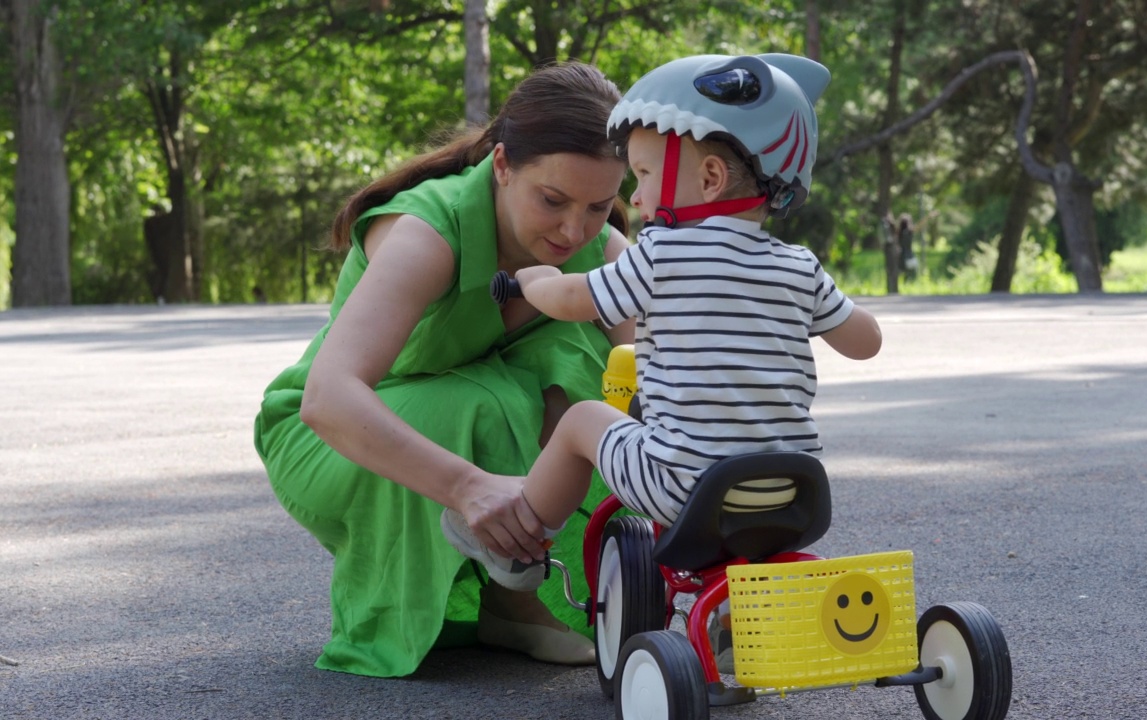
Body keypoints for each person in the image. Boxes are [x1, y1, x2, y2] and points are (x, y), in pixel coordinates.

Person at [439, 53, 883, 671]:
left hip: (685, 485)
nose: (637, 195)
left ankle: (524, 540)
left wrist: (536, 281)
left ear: (706, 179)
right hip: (792, 490)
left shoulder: (663, 254)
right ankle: (738, 624)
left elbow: (575, 300)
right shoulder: (800, 266)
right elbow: (866, 341)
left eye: (644, 174)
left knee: (582, 422)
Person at [252, 62, 636, 678]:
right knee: (486, 399)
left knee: (594, 365)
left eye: (598, 205)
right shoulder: (424, 232)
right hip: (327, 441)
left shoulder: (600, 248)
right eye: (552, 200)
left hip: (447, 419)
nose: (575, 230)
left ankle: (514, 596)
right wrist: (467, 486)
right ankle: (513, 593)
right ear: (504, 165)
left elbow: (665, 379)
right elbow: (327, 399)